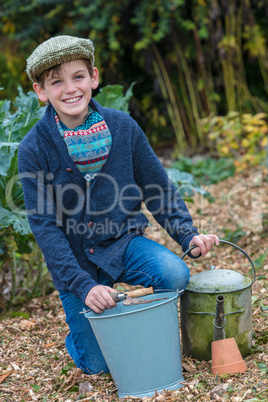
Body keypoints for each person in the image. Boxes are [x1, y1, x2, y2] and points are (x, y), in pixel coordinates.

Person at [18, 35, 219, 375]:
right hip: (77, 264)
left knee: (174, 272)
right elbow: (45, 227)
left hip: (124, 242)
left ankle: (147, 330)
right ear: (41, 91)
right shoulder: (33, 148)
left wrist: (188, 235)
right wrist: (83, 286)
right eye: (56, 82)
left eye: (78, 77)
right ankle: (81, 337)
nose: (70, 89)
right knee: (98, 366)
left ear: (93, 78)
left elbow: (157, 188)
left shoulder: (123, 127)